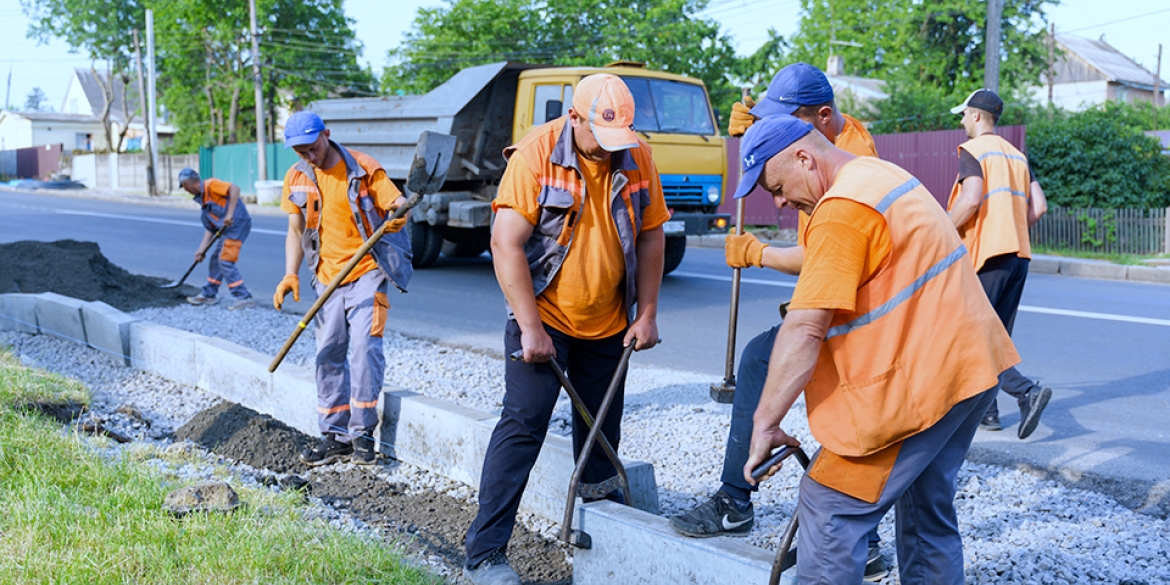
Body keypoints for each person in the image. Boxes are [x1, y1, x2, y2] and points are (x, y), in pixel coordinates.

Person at [739, 114, 1019, 584]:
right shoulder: (881, 175)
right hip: (973, 367)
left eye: (776, 187)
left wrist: (765, 422)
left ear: (804, 157)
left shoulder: (842, 209)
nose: (781, 201)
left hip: (924, 385)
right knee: (926, 503)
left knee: (830, 506)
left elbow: (805, 328)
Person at [669, 62, 890, 581]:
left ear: (821, 117)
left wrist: (759, 253)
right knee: (766, 363)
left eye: (784, 122)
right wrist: (754, 136)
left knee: (781, 370)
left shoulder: (850, 163)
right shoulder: (829, 139)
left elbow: (819, 256)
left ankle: (735, 503)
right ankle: (862, 535)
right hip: (851, 302)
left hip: (862, 317)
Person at [462, 74, 667, 585]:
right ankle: (485, 554)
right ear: (574, 118)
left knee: (601, 439)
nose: (611, 149)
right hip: (544, 320)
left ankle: (605, 548)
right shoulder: (536, 154)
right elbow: (505, 243)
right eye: (602, 136)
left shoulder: (635, 155)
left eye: (621, 137)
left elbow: (651, 233)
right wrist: (530, 328)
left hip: (608, 323)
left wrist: (647, 314)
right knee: (522, 428)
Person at [274, 110, 412, 467]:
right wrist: (290, 274)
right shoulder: (297, 176)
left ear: (327, 135)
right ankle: (335, 436)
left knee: (364, 348)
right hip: (326, 275)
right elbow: (294, 230)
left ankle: (362, 433)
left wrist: (398, 214)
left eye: (311, 147)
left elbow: (397, 206)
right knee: (328, 352)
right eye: (299, 151)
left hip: (367, 269)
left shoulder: (365, 169)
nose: (308, 156)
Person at [947, 89, 1052, 439]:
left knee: (974, 335)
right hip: (1017, 256)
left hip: (986, 255)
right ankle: (987, 413)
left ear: (977, 116)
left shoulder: (973, 150)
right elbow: (1039, 207)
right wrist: (1012, 225)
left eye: (964, 115)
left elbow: (970, 199)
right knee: (996, 336)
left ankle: (1026, 392)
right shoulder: (1017, 156)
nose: (961, 121)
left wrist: (939, 232)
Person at [178, 168, 256, 310]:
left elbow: (235, 189)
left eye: (183, 186)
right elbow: (210, 228)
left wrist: (230, 214)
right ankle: (209, 294)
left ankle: (243, 297)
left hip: (237, 224)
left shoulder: (211, 185)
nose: (185, 190)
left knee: (225, 260)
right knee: (216, 259)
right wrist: (201, 250)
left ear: (188, 183)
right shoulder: (203, 201)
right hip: (226, 230)